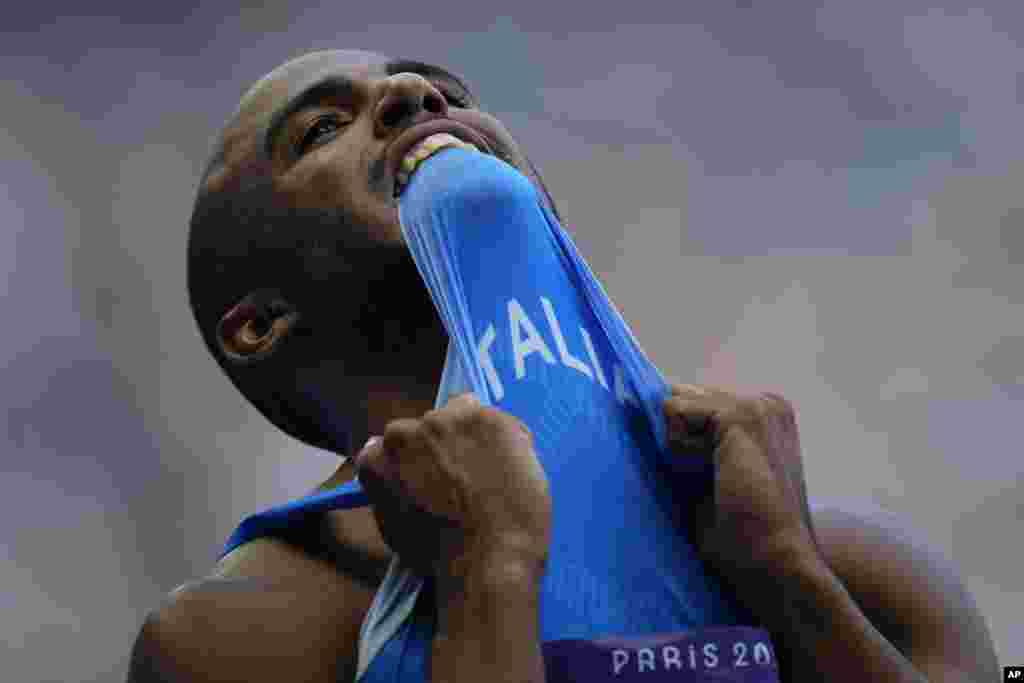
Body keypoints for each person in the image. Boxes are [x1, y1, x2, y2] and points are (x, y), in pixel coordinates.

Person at [127, 49, 999, 682]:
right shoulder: (232, 638)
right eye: (322, 127)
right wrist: (488, 576)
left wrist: (792, 579)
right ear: (259, 323)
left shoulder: (862, 572)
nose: (413, 91)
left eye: (443, 91)